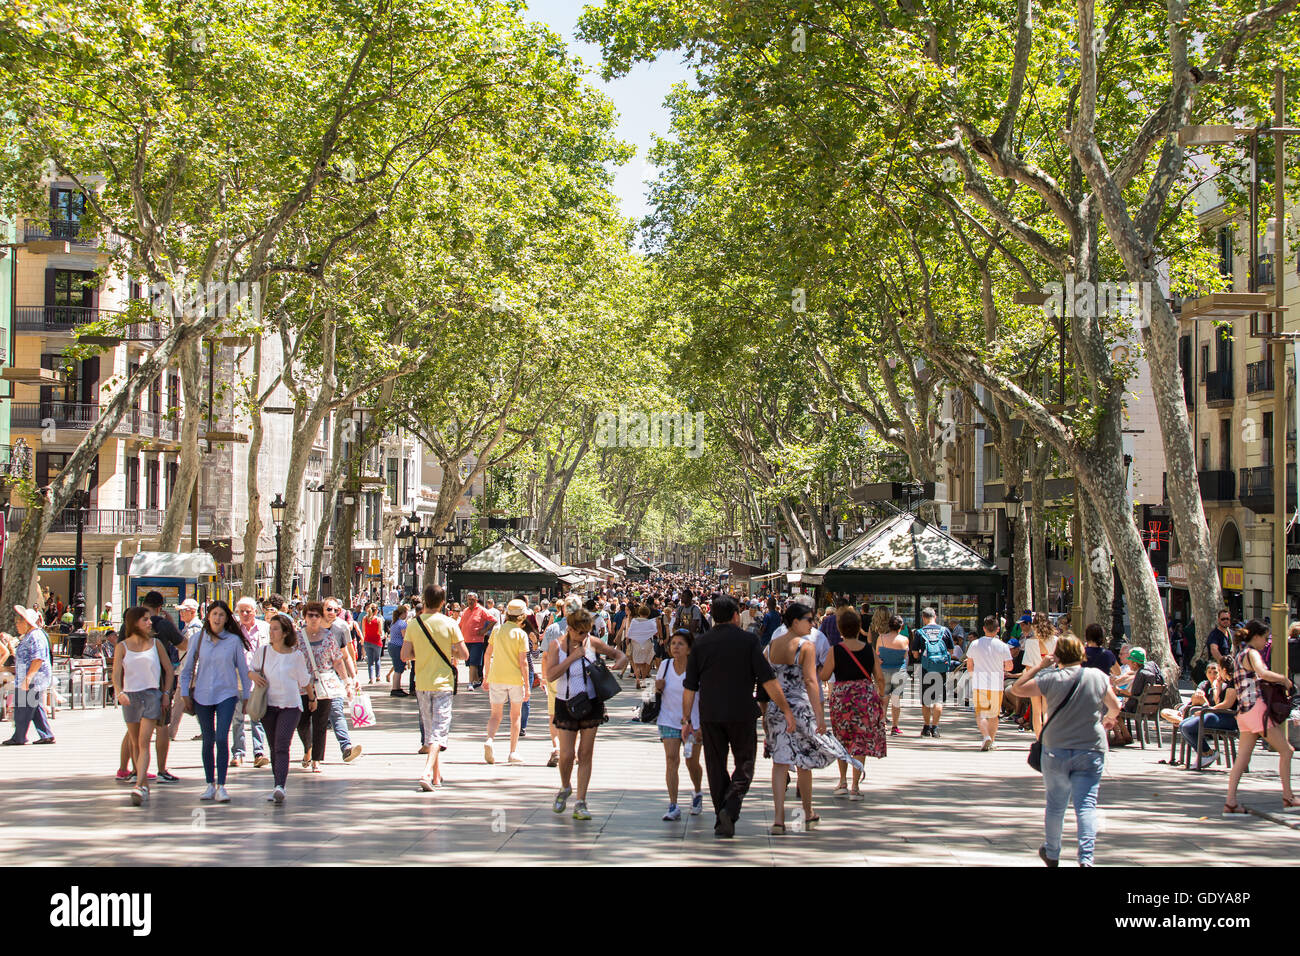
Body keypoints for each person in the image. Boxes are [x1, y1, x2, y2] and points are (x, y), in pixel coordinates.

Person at [682, 594, 794, 838]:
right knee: (745, 764)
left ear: (712, 616)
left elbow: (690, 686)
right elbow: (768, 679)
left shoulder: (700, 643)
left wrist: (686, 720)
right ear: (735, 616)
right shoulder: (748, 641)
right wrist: (785, 708)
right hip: (742, 712)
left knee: (715, 765)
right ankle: (730, 807)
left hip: (710, 714)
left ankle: (723, 812)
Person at [1012, 635, 1121, 867]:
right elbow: (1116, 706)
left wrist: (1040, 666)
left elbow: (1017, 688)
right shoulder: (1098, 677)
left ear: (1057, 655)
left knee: (1055, 805)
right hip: (1091, 747)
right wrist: (1109, 719)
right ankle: (1086, 858)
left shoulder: (1050, 678)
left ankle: (1052, 852)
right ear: (1082, 654)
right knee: (1087, 805)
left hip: (1056, 748)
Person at [543, 607, 628, 820]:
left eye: (587, 632)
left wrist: (621, 659)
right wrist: (571, 658)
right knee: (567, 754)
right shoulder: (557, 646)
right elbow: (551, 675)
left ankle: (581, 801)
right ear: (570, 629)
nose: (584, 636)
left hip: (591, 702)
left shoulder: (592, 643)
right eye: (580, 632)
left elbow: (616, 652)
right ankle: (565, 787)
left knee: (585, 754)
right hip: (566, 702)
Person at [764, 602, 834, 833]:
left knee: (779, 762)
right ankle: (807, 811)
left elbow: (767, 675)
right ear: (795, 622)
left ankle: (778, 819)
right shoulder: (806, 646)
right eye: (808, 619)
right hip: (801, 707)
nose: (812, 624)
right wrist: (820, 716)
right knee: (805, 761)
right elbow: (812, 681)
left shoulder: (773, 645)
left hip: (777, 707)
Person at [177, 601, 249, 802]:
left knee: (221, 738)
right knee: (208, 740)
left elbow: (243, 670)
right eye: (214, 614)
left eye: (221, 615)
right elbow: (187, 668)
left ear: (227, 619)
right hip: (202, 695)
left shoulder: (233, 641)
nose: (217, 618)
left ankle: (222, 785)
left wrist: (247, 697)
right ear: (208, 616)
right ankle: (210, 783)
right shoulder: (199, 639)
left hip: (227, 694)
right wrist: (184, 693)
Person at [1224, 620, 1296, 815]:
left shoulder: (1239, 654)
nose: (1266, 642)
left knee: (1241, 760)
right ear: (1256, 637)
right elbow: (1263, 673)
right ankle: (1288, 796)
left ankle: (1230, 800)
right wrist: (1284, 679)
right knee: (1287, 751)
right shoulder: (1252, 653)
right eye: (1265, 638)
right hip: (1257, 710)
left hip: (1244, 713)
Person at [402, 586, 467, 791]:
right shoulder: (450, 623)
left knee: (430, 730)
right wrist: (451, 650)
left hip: (421, 682)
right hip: (443, 684)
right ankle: (427, 772)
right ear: (442, 603)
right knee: (439, 731)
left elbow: (405, 655)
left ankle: (437, 775)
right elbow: (464, 654)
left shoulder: (414, 624)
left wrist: (420, 654)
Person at [818, 607, 886, 799]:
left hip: (842, 697)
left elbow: (824, 675)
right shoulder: (868, 650)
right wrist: (880, 696)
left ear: (840, 629)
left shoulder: (835, 650)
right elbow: (879, 677)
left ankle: (842, 781)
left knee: (842, 738)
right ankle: (856, 786)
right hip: (865, 696)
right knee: (860, 741)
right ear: (858, 628)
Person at [113, 607, 174, 806]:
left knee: (143, 741)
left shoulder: (155, 644)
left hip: (151, 695)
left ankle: (139, 784)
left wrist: (165, 694)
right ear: (135, 622)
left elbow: (169, 670)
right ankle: (143, 781)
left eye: (149, 619)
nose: (150, 623)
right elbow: (116, 674)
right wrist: (119, 692)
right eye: (145, 620)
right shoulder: (122, 646)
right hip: (130, 696)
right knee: (133, 740)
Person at [248, 612, 311, 804]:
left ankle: (280, 786)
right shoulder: (263, 651)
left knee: (282, 743)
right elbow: (251, 669)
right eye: (270, 629)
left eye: (275, 629)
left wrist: (313, 697)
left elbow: (304, 680)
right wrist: (254, 677)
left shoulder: (296, 655)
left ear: (284, 633)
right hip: (268, 704)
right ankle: (277, 782)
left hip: (291, 705)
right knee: (274, 745)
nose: (271, 632)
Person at [295, 600, 363, 772]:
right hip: (302, 685)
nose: (314, 618)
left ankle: (316, 759)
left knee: (320, 723)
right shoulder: (297, 637)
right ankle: (308, 748)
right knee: (302, 722)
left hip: (325, 684)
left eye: (317, 615)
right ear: (305, 617)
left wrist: (347, 680)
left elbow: (338, 661)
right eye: (310, 615)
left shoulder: (329, 637)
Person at [655, 628, 704, 820]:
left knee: (691, 762)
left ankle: (698, 792)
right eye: (673, 643)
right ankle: (673, 804)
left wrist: (701, 725)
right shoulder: (665, 666)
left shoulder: (697, 669)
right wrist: (657, 688)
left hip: (693, 724)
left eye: (680, 644)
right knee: (671, 759)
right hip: (668, 720)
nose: (675, 647)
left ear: (690, 649)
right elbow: (655, 693)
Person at [482, 599, 531, 765]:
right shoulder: (521, 634)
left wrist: (486, 675)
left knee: (495, 715)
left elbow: (487, 654)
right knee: (515, 715)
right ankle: (513, 752)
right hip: (515, 678)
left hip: (496, 677)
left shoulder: (497, 631)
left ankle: (489, 739)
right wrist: (528, 685)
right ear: (522, 616)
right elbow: (523, 662)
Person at [231, 596, 270, 769]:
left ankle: (259, 752)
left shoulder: (265, 628)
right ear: (237, 613)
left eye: (249, 611)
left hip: (259, 681)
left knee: (257, 717)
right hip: (237, 680)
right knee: (237, 719)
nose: (246, 614)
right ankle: (238, 753)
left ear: (255, 611)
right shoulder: (232, 632)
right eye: (242, 611)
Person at [1178, 658, 1238, 770]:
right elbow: (1218, 701)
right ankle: (1206, 753)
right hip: (1220, 714)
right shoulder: (1225, 683)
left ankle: (1206, 753)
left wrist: (1209, 710)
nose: (1217, 674)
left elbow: (1227, 704)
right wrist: (1217, 686)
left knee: (1188, 727)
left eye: (1218, 670)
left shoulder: (1234, 683)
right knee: (1183, 725)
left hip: (1229, 717)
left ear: (1224, 670)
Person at [965, 615, 1014, 751]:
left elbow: (970, 665)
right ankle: (991, 740)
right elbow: (1009, 666)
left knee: (981, 713)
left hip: (980, 682)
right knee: (993, 714)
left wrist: (973, 676)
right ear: (998, 629)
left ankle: (985, 736)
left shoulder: (974, 644)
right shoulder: (1003, 646)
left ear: (983, 629)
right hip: (996, 683)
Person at [910, 607, 954, 738]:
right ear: (935, 616)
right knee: (938, 699)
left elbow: (915, 653)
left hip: (926, 669)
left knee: (926, 699)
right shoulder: (944, 630)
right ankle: (935, 728)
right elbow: (951, 651)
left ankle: (926, 726)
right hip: (941, 669)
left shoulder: (920, 632)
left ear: (924, 618)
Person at [1022, 612, 1059, 736]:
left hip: (1035, 676)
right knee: (1046, 710)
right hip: (1051, 675)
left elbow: (1028, 664)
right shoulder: (1055, 640)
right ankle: (1048, 736)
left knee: (1036, 710)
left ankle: (1039, 737)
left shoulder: (1030, 642)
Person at [874, 614, 909, 736]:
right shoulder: (905, 640)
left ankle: (882, 723)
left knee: (883, 698)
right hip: (899, 671)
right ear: (901, 627)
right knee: (896, 700)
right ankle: (895, 726)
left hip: (884, 671)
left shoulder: (881, 638)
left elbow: (877, 654)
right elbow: (905, 656)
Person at [458, 593, 492, 690]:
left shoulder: (481, 610)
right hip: (466, 640)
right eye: (468, 599)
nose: (470, 601)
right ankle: (476, 680)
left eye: (472, 599)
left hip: (477, 641)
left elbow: (493, 620)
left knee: (473, 662)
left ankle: (470, 683)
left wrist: (484, 631)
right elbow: (461, 625)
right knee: (470, 663)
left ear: (476, 600)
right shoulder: (465, 611)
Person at [626, 602, 659, 688]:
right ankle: (643, 681)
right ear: (647, 613)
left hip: (635, 643)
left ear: (639, 612)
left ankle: (637, 679)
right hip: (647, 642)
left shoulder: (634, 621)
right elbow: (655, 632)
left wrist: (627, 640)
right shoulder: (650, 622)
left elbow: (629, 632)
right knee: (644, 663)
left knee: (636, 663)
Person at [388, 604, 410, 697]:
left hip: (392, 646)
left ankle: (396, 687)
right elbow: (405, 637)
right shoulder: (402, 624)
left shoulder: (394, 622)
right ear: (403, 613)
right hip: (398, 647)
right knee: (398, 668)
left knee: (397, 667)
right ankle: (395, 688)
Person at [361, 604, 384, 684]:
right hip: (377, 641)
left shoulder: (364, 618)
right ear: (376, 610)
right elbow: (380, 632)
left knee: (370, 661)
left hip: (367, 640)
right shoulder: (378, 619)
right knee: (377, 659)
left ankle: (371, 678)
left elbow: (363, 631)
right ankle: (378, 677)